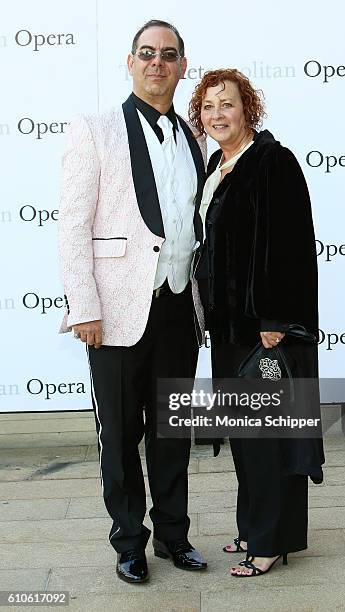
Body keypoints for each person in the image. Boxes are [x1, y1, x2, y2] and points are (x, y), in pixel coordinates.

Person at [58, 20, 208, 584]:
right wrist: (84, 307)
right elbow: (72, 226)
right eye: (147, 53)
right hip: (115, 312)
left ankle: (174, 535)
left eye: (168, 55)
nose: (157, 63)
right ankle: (128, 543)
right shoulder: (94, 129)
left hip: (176, 305)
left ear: (181, 66)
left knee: (172, 432)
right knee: (120, 437)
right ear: (130, 62)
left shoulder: (195, 139)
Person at [189, 69, 325, 577]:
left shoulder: (272, 160)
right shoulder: (215, 167)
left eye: (227, 104)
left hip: (263, 330)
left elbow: (290, 243)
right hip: (228, 329)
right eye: (207, 107)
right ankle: (253, 526)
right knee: (247, 437)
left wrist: (275, 318)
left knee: (269, 438)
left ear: (248, 108)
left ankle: (270, 542)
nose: (217, 115)